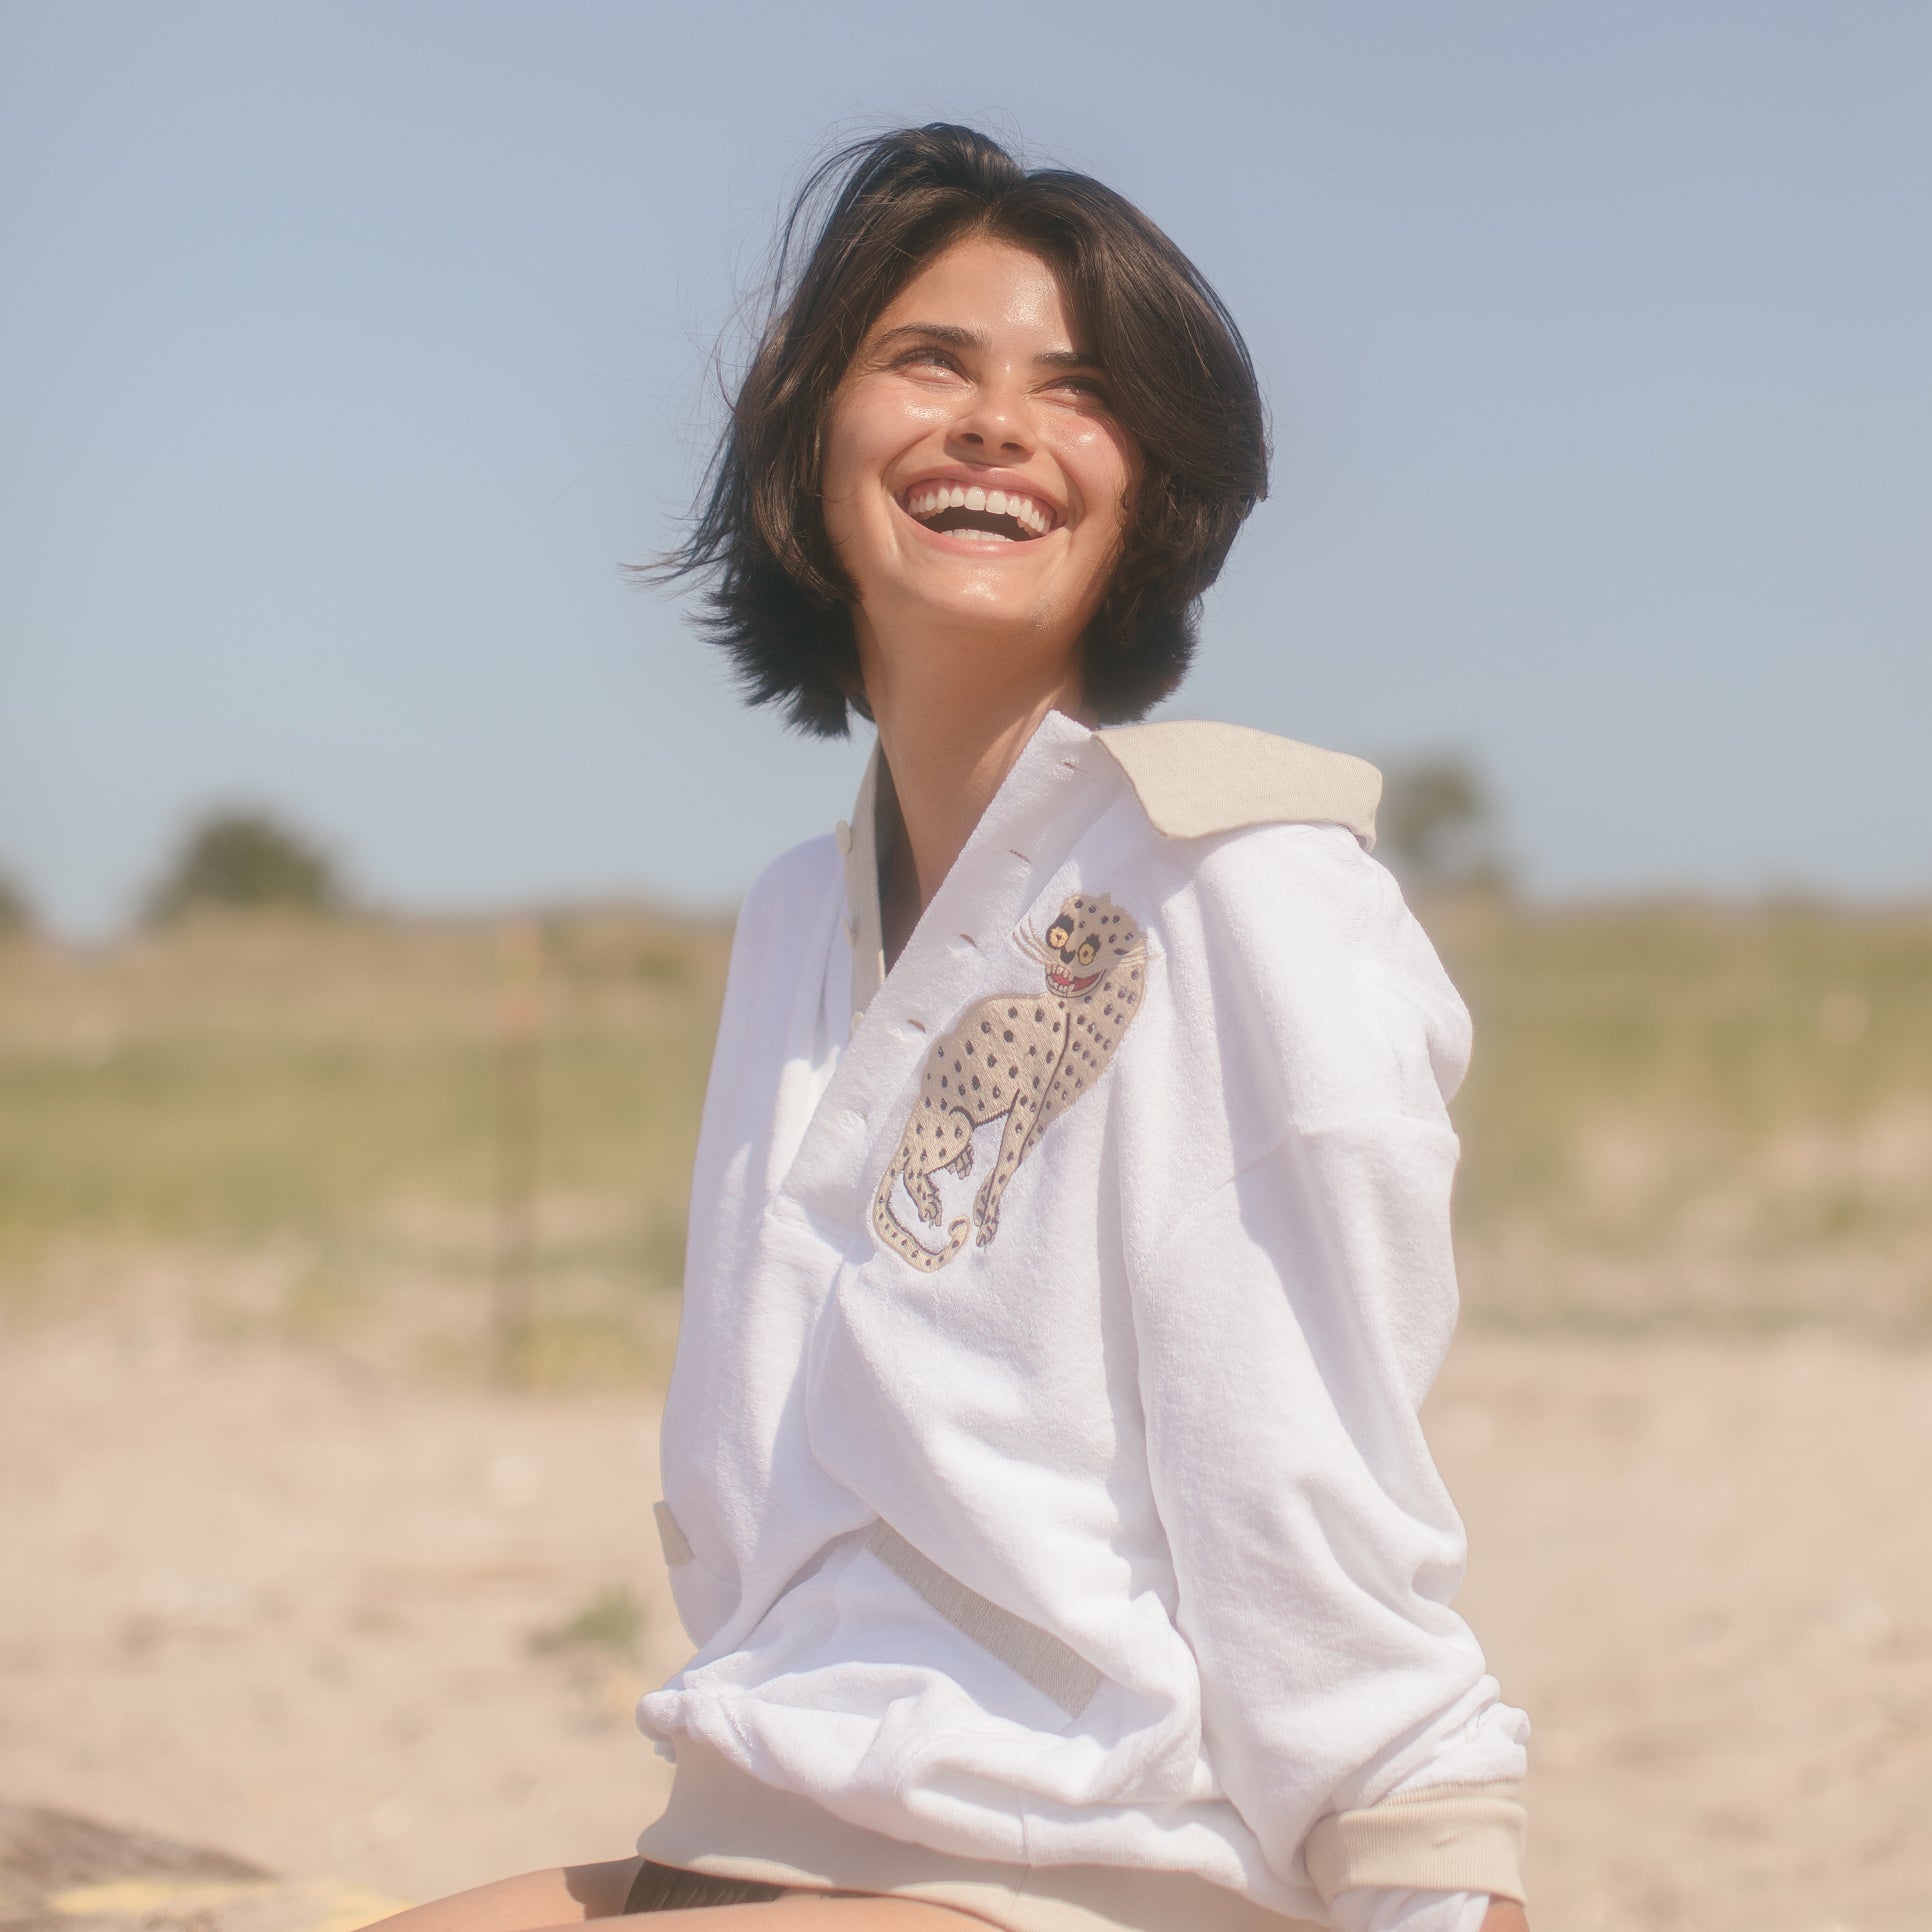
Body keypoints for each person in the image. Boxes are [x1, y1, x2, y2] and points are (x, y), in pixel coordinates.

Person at [370, 125, 1531, 1932]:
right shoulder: (784, 922)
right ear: (811, 434)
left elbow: (1317, 1498)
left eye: (1080, 393)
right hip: (763, 1815)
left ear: (1155, 490)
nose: (997, 426)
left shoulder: (1242, 882)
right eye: (933, 362)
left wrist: (1435, 1877)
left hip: (1079, 1868)